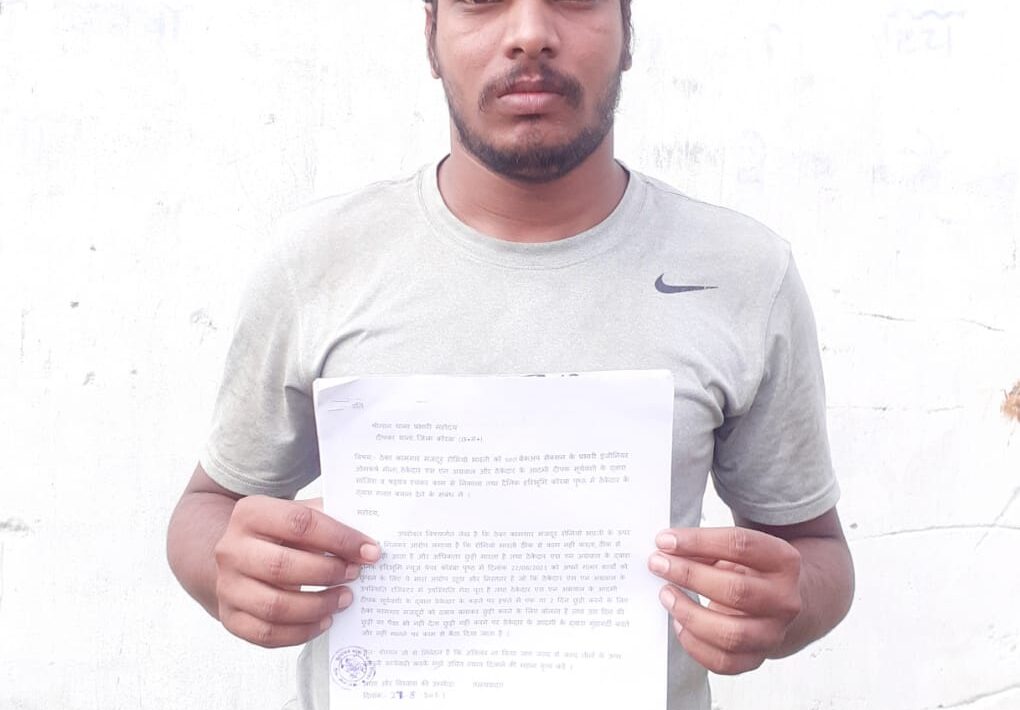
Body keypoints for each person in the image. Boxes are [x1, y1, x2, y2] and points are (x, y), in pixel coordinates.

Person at [166, 1, 855, 708]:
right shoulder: (317, 261)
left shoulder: (744, 273)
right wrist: (231, 572)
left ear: (628, 32)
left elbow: (817, 550)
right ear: (431, 36)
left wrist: (786, 601)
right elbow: (208, 507)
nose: (530, 33)